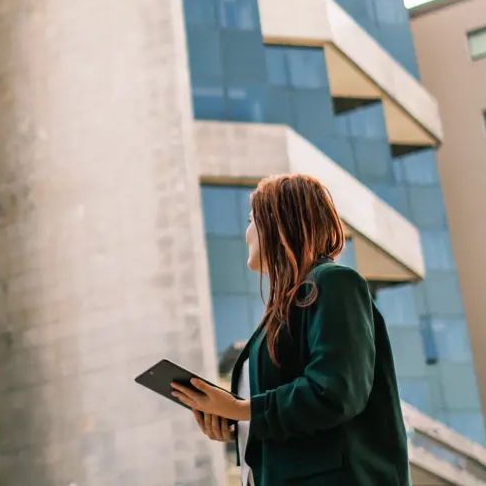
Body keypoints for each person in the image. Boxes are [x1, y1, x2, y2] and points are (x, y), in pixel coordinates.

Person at [171, 174, 409, 485]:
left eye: (251, 220)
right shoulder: (282, 313)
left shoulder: (335, 283)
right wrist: (236, 424)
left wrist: (243, 409)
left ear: (280, 222)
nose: (246, 235)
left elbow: (335, 392)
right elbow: (295, 418)